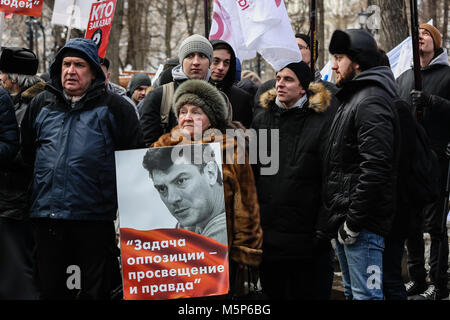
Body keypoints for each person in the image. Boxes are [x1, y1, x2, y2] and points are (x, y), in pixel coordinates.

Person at [20, 38, 144, 300]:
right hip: (47, 219)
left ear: (94, 71)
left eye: (79, 65)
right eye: (66, 64)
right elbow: (29, 154)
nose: (71, 71)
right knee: (50, 292)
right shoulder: (41, 104)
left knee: (94, 293)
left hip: (93, 222)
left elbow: (134, 161)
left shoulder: (116, 108)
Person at [150, 79, 262, 297]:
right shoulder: (161, 147)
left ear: (211, 117)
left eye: (196, 112)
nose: (187, 117)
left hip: (220, 250)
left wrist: (245, 251)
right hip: (178, 251)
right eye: (182, 111)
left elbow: (245, 202)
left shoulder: (230, 148)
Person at [323, 29, 400, 300]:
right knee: (354, 294)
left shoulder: (371, 100)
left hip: (362, 226)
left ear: (357, 61)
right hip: (347, 223)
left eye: (339, 57)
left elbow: (376, 168)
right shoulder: (355, 97)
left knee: (365, 296)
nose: (333, 65)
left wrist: (354, 222)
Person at [251, 61, 336, 300]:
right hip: (269, 238)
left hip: (307, 240)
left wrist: (322, 231)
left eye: (288, 79)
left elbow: (330, 179)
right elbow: (253, 175)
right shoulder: (261, 121)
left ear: (303, 88)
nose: (279, 84)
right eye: (278, 78)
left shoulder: (322, 122)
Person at [396, 23, 450, 300]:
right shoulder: (404, 77)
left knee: (436, 225)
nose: (421, 37)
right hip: (408, 159)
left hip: (437, 158)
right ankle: (417, 278)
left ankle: (439, 283)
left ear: (436, 42)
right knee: (410, 223)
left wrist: (432, 100)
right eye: (416, 34)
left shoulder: (448, 74)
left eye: (426, 33)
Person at [0, 47, 44, 299]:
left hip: (20, 198)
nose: (0, 78)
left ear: (14, 78)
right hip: (11, 197)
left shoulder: (32, 107)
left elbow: (24, 153)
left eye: (3, 72)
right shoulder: (13, 103)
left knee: (20, 266)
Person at [142, 143, 227, 245]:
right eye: (162, 188)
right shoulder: (194, 218)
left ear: (210, 173)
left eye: (181, 181)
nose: (172, 199)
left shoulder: (227, 227)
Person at [140, 34, 214, 146]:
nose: (196, 62)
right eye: (190, 56)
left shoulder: (219, 98)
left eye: (202, 56)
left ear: (209, 62)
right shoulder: (158, 96)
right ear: (181, 61)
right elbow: (147, 146)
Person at [209, 40, 254, 128]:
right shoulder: (192, 92)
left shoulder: (242, 98)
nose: (221, 67)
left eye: (226, 63)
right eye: (216, 61)